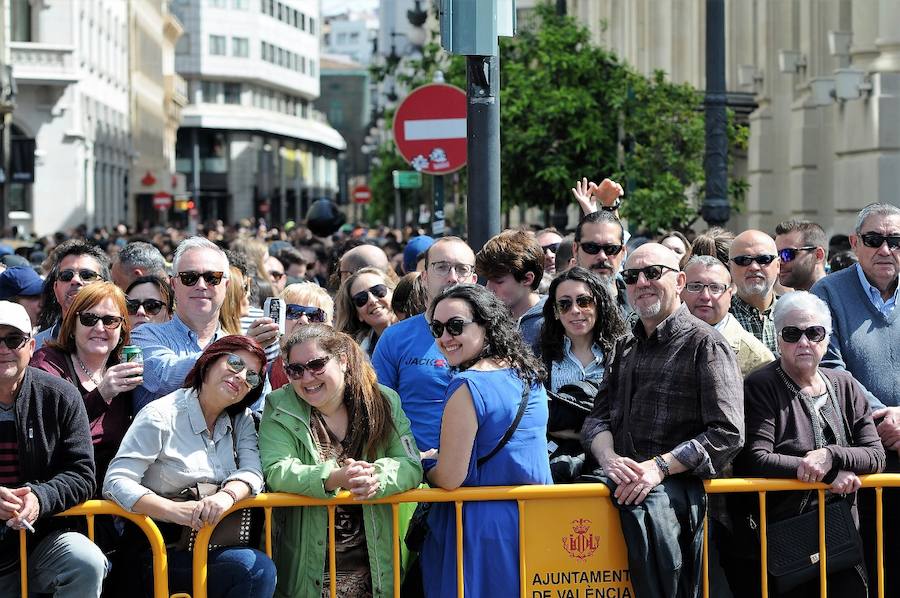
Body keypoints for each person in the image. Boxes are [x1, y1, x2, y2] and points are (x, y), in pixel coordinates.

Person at [581, 243, 744, 598]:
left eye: (654, 273)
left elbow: (727, 434)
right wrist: (611, 461)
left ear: (680, 280)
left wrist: (658, 468)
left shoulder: (706, 344)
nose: (642, 282)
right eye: (632, 276)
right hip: (619, 500)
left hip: (677, 512)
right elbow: (597, 419)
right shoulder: (624, 346)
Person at [103, 336, 276, 598]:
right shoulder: (160, 414)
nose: (241, 377)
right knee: (253, 569)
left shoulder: (243, 420)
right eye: (234, 363)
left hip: (218, 545)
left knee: (257, 568)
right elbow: (115, 482)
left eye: (252, 377)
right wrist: (174, 510)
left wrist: (226, 495)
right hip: (159, 548)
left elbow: (253, 472)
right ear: (208, 361)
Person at [737, 291, 885, 597]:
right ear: (778, 338)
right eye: (792, 334)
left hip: (841, 533)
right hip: (785, 535)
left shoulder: (844, 384)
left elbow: (875, 454)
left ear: (827, 337)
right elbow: (756, 458)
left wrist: (831, 456)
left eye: (814, 333)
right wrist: (829, 476)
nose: (804, 342)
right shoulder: (761, 384)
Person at [259, 324, 422, 598]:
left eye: (317, 364)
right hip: (309, 563)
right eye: (295, 370)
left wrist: (376, 476)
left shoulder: (383, 400)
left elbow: (410, 464)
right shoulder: (279, 405)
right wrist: (333, 478)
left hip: (375, 563)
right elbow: (277, 470)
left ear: (343, 360)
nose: (307, 377)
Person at [422, 284, 552, 598]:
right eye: (437, 328)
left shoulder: (467, 385)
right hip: (537, 518)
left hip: (478, 527)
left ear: (487, 325)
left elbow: (451, 477)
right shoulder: (528, 375)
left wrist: (426, 464)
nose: (444, 337)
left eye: (455, 326)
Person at [810, 202, 900, 593]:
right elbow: (830, 367)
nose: (885, 249)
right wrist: (883, 416)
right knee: (869, 573)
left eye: (895, 241)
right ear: (854, 243)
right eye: (874, 239)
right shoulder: (827, 291)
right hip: (861, 456)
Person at [0, 301, 107, 597]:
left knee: (86, 561)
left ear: (31, 346)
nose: (4, 349)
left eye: (13, 340)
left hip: (40, 542)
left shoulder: (60, 395)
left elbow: (82, 474)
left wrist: (39, 497)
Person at [30, 282, 142, 488]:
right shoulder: (46, 364)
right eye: (89, 319)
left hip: (111, 498)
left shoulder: (123, 368)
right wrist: (101, 394)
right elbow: (50, 438)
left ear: (122, 328)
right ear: (72, 325)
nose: (99, 328)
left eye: (110, 320)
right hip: (59, 494)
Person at [372, 236, 478, 452]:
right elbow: (379, 412)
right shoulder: (395, 338)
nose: (452, 277)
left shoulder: (496, 336)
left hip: (483, 473)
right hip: (417, 473)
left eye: (461, 269)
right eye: (442, 267)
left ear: (474, 279)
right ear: (424, 277)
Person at [539, 267, 626, 480]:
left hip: (612, 469)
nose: (575, 311)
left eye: (584, 301)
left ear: (599, 305)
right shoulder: (539, 359)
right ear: (556, 312)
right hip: (557, 468)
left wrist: (572, 429)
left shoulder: (624, 353)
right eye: (565, 304)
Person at [131, 237, 233, 411]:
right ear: (173, 284)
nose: (201, 285)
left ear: (227, 285)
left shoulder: (236, 345)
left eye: (212, 278)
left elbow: (257, 408)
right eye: (189, 277)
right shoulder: (144, 335)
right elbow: (165, 377)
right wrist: (235, 353)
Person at [681, 255, 774, 377]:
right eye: (695, 287)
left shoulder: (758, 359)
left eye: (715, 288)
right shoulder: (659, 337)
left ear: (729, 295)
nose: (705, 296)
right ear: (680, 291)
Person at [476, 230, 547, 355]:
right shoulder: (486, 320)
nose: (489, 288)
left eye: (498, 281)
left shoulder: (554, 321)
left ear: (527, 278)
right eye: (488, 280)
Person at [35, 239, 111, 349]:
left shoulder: (120, 345)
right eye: (66, 275)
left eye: (87, 275)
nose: (75, 280)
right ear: (56, 289)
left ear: (106, 286)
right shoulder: (35, 348)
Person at [267, 282, 334, 392]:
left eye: (314, 315)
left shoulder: (340, 371)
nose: (303, 320)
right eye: (293, 311)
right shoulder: (265, 374)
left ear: (328, 326)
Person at [729, 230, 781, 353]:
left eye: (764, 259)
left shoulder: (794, 313)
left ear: (778, 265)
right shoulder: (719, 317)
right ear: (730, 267)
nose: (754, 267)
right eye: (743, 260)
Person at [572, 211, 630, 316]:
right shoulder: (556, 309)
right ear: (575, 249)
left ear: (623, 252)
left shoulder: (639, 304)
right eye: (591, 247)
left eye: (611, 249)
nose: (602, 256)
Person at [334, 267, 398, 358]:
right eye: (361, 299)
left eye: (378, 290)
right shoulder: (358, 356)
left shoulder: (420, 329)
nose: (372, 300)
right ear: (358, 314)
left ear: (393, 292)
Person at [774, 220, 827, 291]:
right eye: (776, 255)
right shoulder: (784, 301)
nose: (779, 262)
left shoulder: (840, 299)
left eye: (787, 254)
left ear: (818, 255)